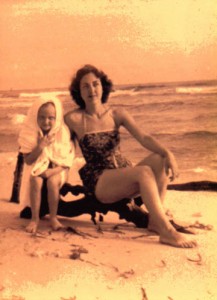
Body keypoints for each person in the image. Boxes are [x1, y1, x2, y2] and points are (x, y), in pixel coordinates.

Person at [64, 64, 197, 248]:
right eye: (85, 86)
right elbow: (60, 147)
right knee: (143, 172)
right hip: (99, 180)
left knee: (159, 159)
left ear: (103, 86)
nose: (91, 90)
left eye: (95, 84)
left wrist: (168, 153)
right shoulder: (73, 119)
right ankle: (166, 231)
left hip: (121, 172)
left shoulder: (117, 114)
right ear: (78, 91)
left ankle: (154, 220)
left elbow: (144, 137)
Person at [18, 97, 74, 234]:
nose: (46, 121)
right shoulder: (30, 132)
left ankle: (53, 218)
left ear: (57, 118)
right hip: (37, 167)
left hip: (58, 170)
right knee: (35, 181)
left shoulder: (62, 132)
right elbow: (29, 161)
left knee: (52, 183)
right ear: (35, 115)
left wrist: (52, 172)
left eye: (51, 118)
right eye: (41, 117)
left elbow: (67, 161)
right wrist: (40, 146)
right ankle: (34, 219)